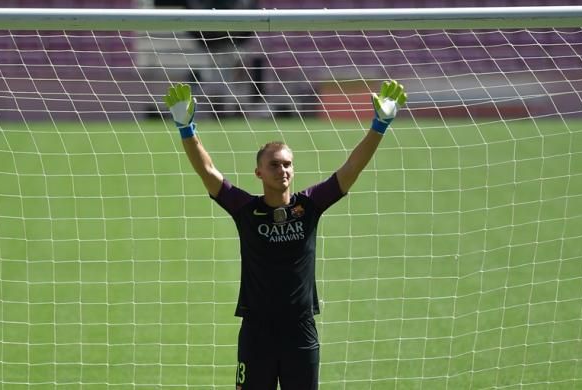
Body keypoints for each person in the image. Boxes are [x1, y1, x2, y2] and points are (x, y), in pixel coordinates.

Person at [163, 80, 407, 390]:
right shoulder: (245, 210)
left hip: (300, 332)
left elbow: (350, 170)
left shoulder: (310, 204)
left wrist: (380, 125)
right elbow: (208, 172)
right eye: (275, 165)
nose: (283, 170)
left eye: (288, 164)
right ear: (259, 173)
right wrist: (187, 129)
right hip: (256, 333)